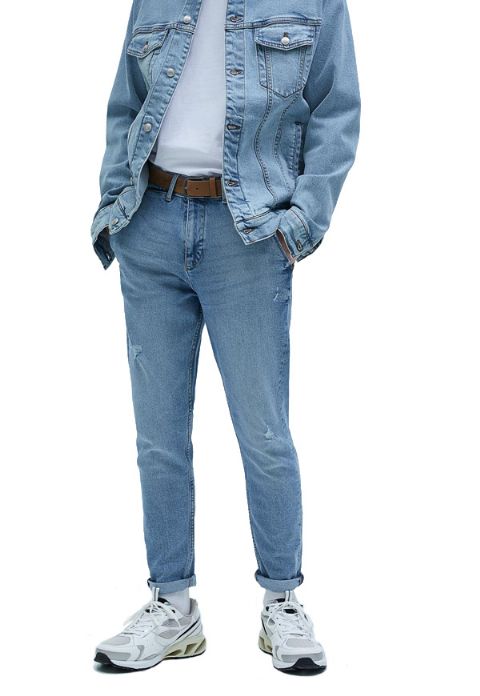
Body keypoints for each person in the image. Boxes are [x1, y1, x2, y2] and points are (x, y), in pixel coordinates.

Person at [91, 0, 360, 674]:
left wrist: (301, 222)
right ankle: (172, 603)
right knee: (158, 437)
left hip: (249, 234)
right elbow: (126, 103)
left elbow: (337, 111)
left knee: (263, 432)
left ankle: (283, 601)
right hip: (150, 222)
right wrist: (113, 207)